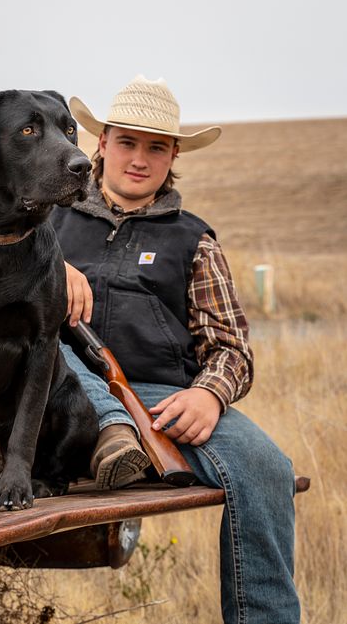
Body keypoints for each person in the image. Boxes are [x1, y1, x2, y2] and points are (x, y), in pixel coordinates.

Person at [49, 75, 300, 624]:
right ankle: (113, 429)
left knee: (268, 468)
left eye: (156, 148)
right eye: (127, 142)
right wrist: (46, 269)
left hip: (159, 400)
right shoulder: (45, 222)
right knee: (43, 346)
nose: (139, 159)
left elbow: (232, 349)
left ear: (174, 156)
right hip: (56, 393)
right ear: (102, 143)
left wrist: (208, 396)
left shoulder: (194, 240)